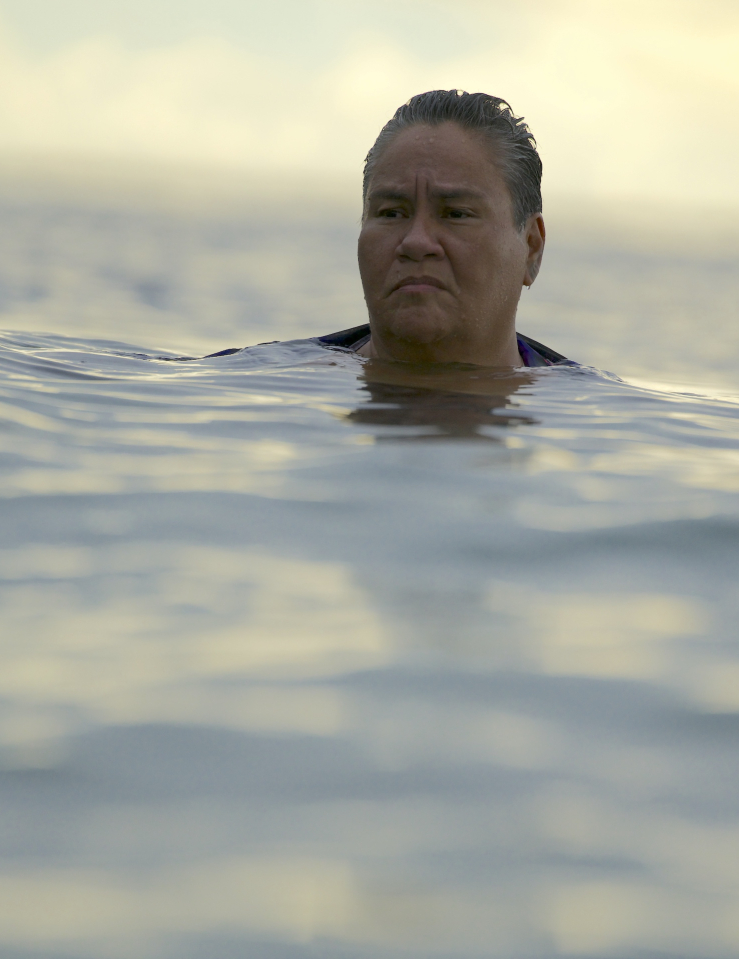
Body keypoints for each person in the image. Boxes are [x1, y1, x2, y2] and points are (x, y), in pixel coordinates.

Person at [318, 89, 570, 368]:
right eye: (391, 213)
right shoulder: (279, 384)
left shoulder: (590, 407)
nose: (416, 242)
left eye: (456, 214)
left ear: (531, 247)